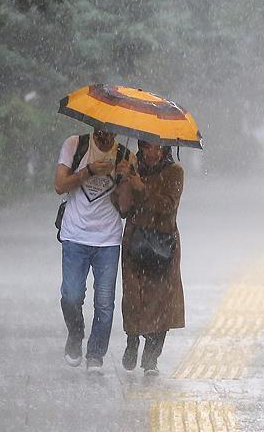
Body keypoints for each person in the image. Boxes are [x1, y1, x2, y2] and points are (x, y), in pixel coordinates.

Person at [54, 128, 134, 372]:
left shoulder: (125, 155)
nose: (107, 137)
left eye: (112, 133)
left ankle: (96, 354)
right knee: (71, 295)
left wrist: (124, 179)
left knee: (104, 302)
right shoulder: (75, 144)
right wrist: (88, 171)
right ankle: (75, 334)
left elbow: (125, 209)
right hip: (75, 235)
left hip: (107, 239)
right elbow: (59, 185)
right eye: (102, 131)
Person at [115, 140, 185, 375]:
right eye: (147, 147)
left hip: (163, 243)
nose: (152, 152)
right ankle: (132, 341)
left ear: (165, 149)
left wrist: (141, 186)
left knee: (161, 302)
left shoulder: (175, 172)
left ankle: (151, 357)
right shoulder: (132, 166)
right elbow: (122, 208)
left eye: (158, 147)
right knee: (134, 295)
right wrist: (123, 181)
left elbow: (167, 205)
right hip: (135, 241)